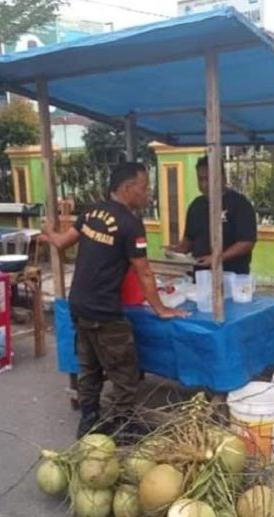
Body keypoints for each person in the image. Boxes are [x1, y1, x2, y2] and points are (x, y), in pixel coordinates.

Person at [40, 162, 188, 439]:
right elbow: (143, 271)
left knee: (89, 367)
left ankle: (89, 422)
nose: (147, 194)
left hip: (79, 304)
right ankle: (124, 426)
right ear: (128, 189)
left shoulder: (91, 212)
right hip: (105, 309)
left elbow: (61, 242)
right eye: (144, 188)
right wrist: (161, 309)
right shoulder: (130, 224)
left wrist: (49, 232)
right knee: (124, 371)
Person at [165, 156, 257, 273]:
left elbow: (246, 243)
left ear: (222, 178)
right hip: (200, 276)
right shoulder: (196, 205)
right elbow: (188, 241)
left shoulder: (239, 204)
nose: (204, 184)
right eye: (200, 179)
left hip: (231, 276)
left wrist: (216, 258)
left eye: (208, 179)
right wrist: (175, 251)